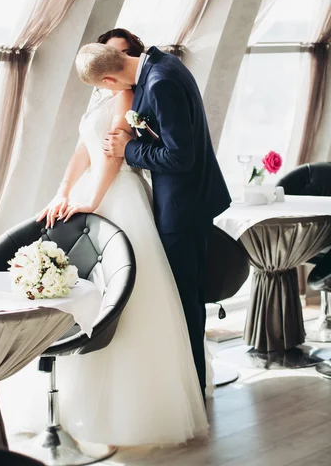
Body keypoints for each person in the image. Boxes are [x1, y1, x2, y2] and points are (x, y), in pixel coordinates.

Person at [27, 32, 210, 447]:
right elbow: (86, 147)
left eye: (126, 50)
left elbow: (115, 153)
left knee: (142, 301)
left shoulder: (141, 88)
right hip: (100, 190)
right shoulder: (124, 83)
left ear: (108, 75)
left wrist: (93, 198)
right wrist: (63, 190)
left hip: (123, 195)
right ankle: (79, 405)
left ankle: (161, 401)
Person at [77, 42, 232, 397]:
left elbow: (180, 157)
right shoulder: (162, 63)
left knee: (186, 302)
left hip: (183, 207)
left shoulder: (160, 82)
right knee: (188, 298)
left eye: (105, 87)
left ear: (111, 77)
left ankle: (193, 387)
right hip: (190, 201)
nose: (111, 94)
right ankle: (193, 383)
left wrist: (127, 149)